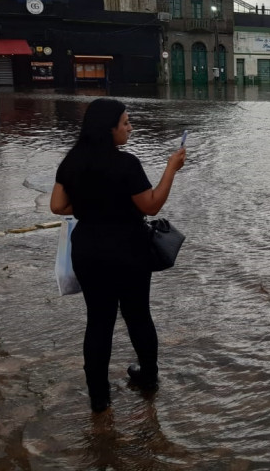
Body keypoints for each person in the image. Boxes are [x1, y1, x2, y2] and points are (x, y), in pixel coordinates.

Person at [50, 98, 186, 413]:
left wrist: (92, 207)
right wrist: (170, 168)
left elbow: (57, 206)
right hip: (129, 249)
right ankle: (148, 379)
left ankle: (99, 398)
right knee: (138, 315)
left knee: (98, 322)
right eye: (125, 123)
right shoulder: (126, 164)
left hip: (88, 250)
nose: (130, 127)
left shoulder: (71, 161)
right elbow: (151, 205)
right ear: (109, 128)